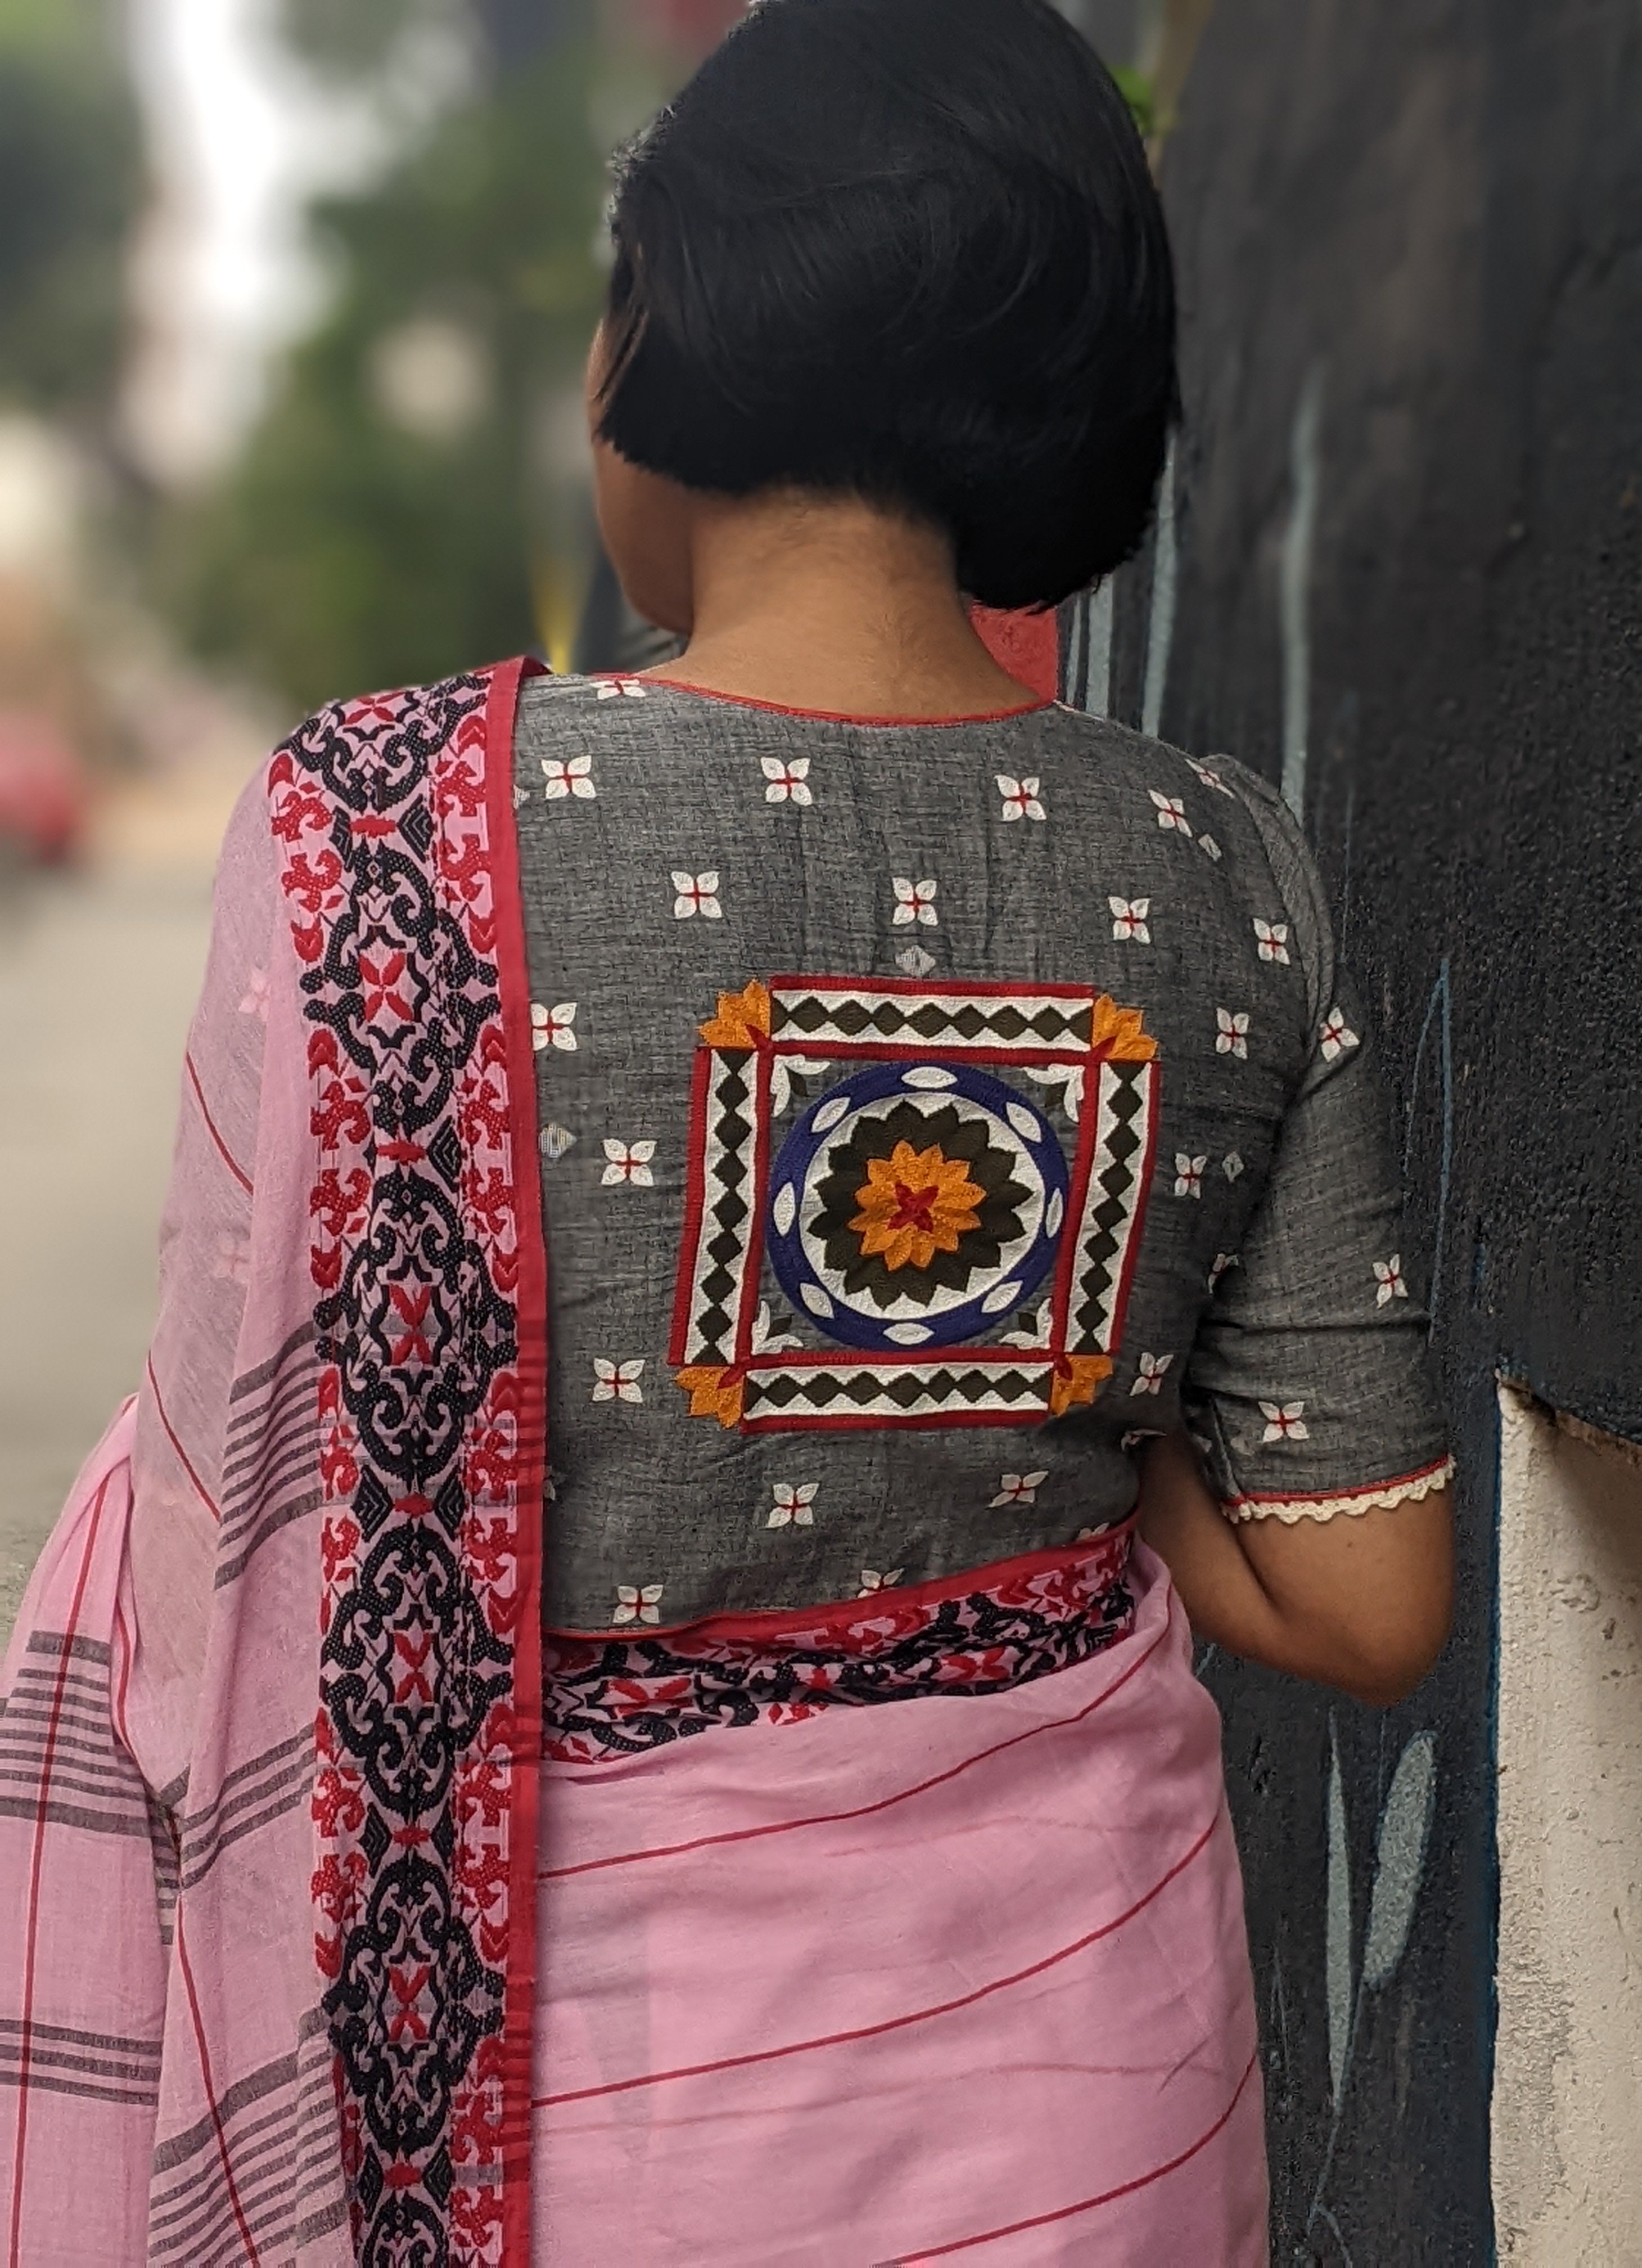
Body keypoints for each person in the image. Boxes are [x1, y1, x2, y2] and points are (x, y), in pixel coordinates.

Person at [0, 2, 1452, 2260]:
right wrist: (1074, 1373)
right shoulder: (1225, 873)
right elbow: (1366, 1602)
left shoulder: (376, 840)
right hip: (1092, 2113)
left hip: (565, 2121)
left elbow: (231, 1520)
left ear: (660, 333)